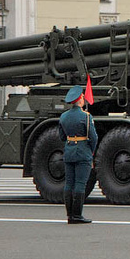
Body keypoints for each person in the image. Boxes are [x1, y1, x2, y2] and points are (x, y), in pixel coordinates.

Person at [58, 85, 98, 224]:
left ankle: (70, 215)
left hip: (69, 152)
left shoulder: (63, 116)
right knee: (80, 184)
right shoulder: (86, 117)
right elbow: (94, 138)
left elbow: (62, 136)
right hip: (83, 152)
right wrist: (90, 152)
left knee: (69, 184)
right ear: (80, 99)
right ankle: (77, 215)